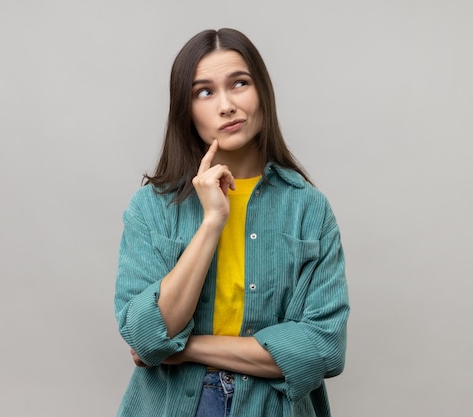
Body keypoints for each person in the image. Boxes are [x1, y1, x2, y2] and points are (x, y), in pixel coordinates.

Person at [114, 28, 349, 417]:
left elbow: (323, 349)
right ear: (185, 110)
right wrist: (211, 223)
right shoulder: (151, 208)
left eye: (239, 84)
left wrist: (185, 347)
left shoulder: (309, 210)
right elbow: (146, 336)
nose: (226, 105)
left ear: (262, 93)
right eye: (204, 92)